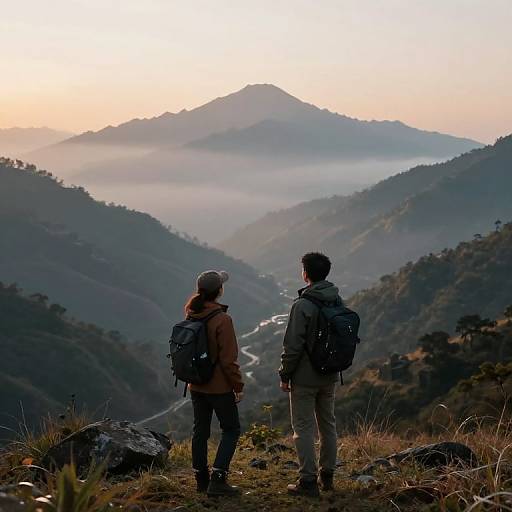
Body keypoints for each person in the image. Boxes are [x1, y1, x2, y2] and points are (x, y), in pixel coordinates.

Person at [279, 252, 341, 497]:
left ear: (305, 274)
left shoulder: (303, 304)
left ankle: (307, 481)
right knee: (328, 425)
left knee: (303, 427)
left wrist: (285, 374)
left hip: (305, 377)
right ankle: (328, 476)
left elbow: (292, 345)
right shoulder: (336, 299)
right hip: (330, 374)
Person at [185, 270, 244, 497]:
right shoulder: (222, 319)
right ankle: (219, 479)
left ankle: (201, 479)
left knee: (200, 431)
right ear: (220, 291)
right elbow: (229, 361)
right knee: (231, 429)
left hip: (196, 385)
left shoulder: (192, 313)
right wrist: (238, 386)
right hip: (219, 387)